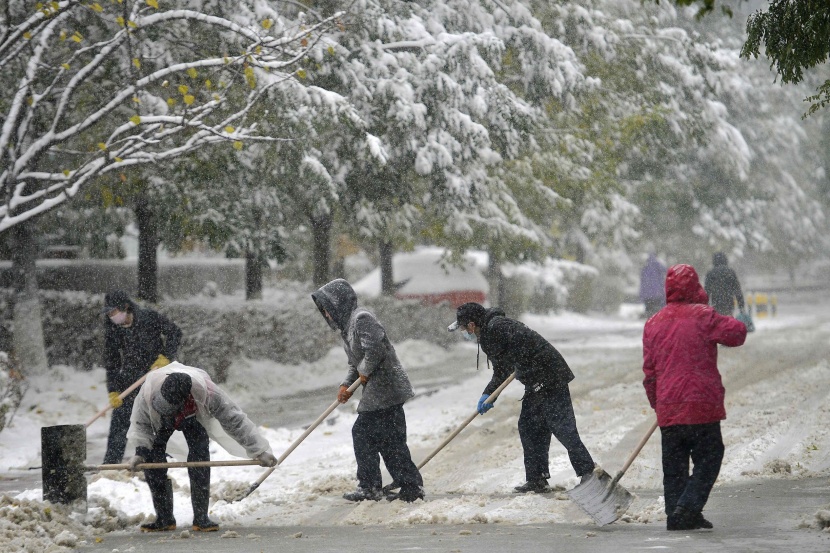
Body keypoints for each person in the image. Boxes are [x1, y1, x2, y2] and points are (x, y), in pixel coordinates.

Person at [448, 302, 596, 493]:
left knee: (562, 427)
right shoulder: (488, 334)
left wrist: (522, 365)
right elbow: (502, 370)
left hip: (551, 377)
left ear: (471, 325)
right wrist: (489, 394)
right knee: (529, 426)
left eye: (462, 327)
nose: (463, 332)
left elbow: (527, 345)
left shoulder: (499, 326)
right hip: (535, 382)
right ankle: (536, 479)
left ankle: (589, 474)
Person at [642, 264, 747, 531]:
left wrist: (659, 404)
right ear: (695, 286)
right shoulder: (704, 316)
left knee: (674, 466)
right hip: (702, 405)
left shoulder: (653, 323)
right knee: (710, 456)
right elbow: (737, 334)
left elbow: (650, 372)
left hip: (670, 408)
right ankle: (687, 508)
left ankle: (677, 513)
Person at [127, 362, 277, 532]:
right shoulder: (148, 392)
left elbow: (235, 420)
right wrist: (140, 452)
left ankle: (201, 518)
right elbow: (141, 425)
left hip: (192, 418)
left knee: (199, 459)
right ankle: (164, 518)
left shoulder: (208, 393)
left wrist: (259, 450)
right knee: (153, 461)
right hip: (160, 423)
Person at [311, 278, 424, 503]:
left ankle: (373, 486)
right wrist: (346, 385)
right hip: (379, 391)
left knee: (363, 433)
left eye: (328, 308)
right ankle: (409, 486)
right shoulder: (347, 327)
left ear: (338, 303)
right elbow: (357, 363)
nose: (327, 314)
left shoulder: (362, 319)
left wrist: (364, 370)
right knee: (389, 440)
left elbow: (375, 349)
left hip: (386, 388)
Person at [102, 290, 182, 464]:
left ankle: (161, 459)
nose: (111, 316)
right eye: (109, 313)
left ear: (125, 307)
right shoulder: (113, 329)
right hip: (130, 378)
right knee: (120, 421)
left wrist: (166, 356)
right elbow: (112, 361)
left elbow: (175, 332)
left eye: (113, 312)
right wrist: (113, 390)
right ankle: (110, 465)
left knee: (156, 420)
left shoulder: (148, 318)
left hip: (155, 374)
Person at [640, 253, 667, 318]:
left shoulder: (645, 266)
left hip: (647, 295)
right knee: (657, 309)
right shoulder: (658, 264)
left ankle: (650, 320)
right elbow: (665, 270)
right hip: (657, 293)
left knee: (649, 309)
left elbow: (642, 280)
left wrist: (642, 294)